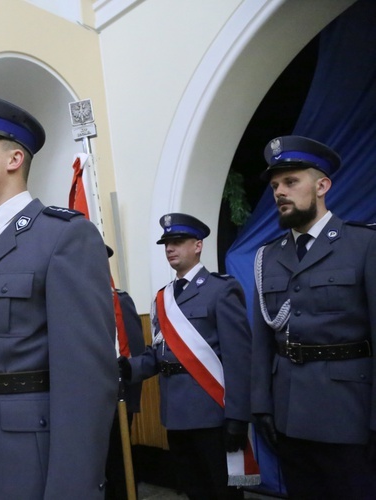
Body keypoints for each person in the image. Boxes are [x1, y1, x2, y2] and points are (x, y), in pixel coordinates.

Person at [0, 95, 118, 499]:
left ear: (14, 159)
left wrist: (72, 487)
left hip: (29, 462)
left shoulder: (63, 236)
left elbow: (86, 381)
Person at [251, 136, 376, 498]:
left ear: (322, 186)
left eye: (291, 182)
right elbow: (262, 340)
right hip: (289, 418)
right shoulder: (268, 257)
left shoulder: (363, 245)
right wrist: (261, 405)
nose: (280, 193)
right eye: (275, 186)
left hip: (349, 418)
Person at [124, 213, 252, 500]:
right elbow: (159, 355)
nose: (170, 248)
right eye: (166, 243)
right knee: (194, 491)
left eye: (178, 241)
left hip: (212, 413)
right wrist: (127, 368)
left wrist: (237, 417)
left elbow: (239, 359)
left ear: (197, 245)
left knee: (224, 491)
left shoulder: (221, 290)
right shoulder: (163, 298)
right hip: (176, 414)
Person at [105, 249, 146, 500]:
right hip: (84, 406)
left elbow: (135, 351)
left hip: (115, 401)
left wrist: (129, 402)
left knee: (117, 469)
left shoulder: (118, 301)